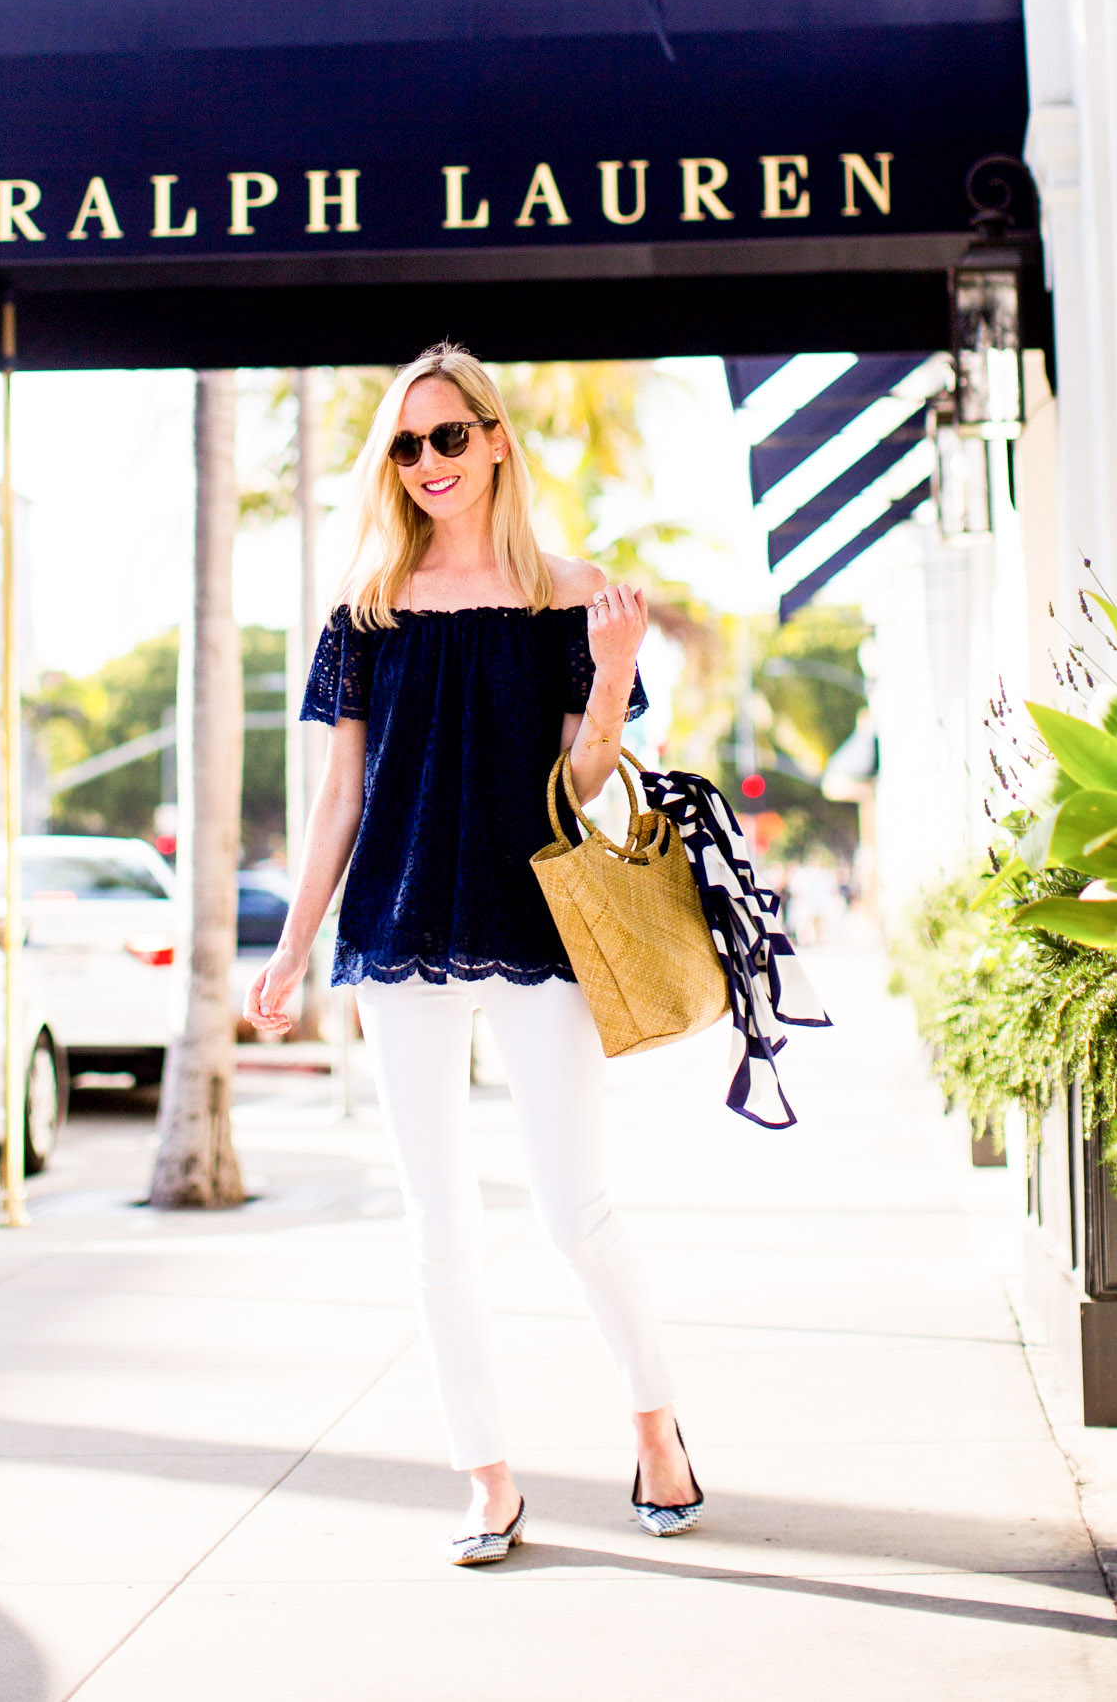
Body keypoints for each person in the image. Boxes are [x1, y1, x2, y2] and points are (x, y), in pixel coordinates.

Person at [245, 343, 701, 1565]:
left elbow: (584, 781)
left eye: (451, 436)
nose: (432, 462)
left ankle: (656, 1427)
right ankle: (486, 1478)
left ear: (497, 439)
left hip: (538, 919)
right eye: (407, 444)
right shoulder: (366, 610)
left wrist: (608, 681)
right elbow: (339, 797)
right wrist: (292, 949)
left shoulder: (572, 592)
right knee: (435, 1217)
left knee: (573, 1206)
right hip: (395, 922)